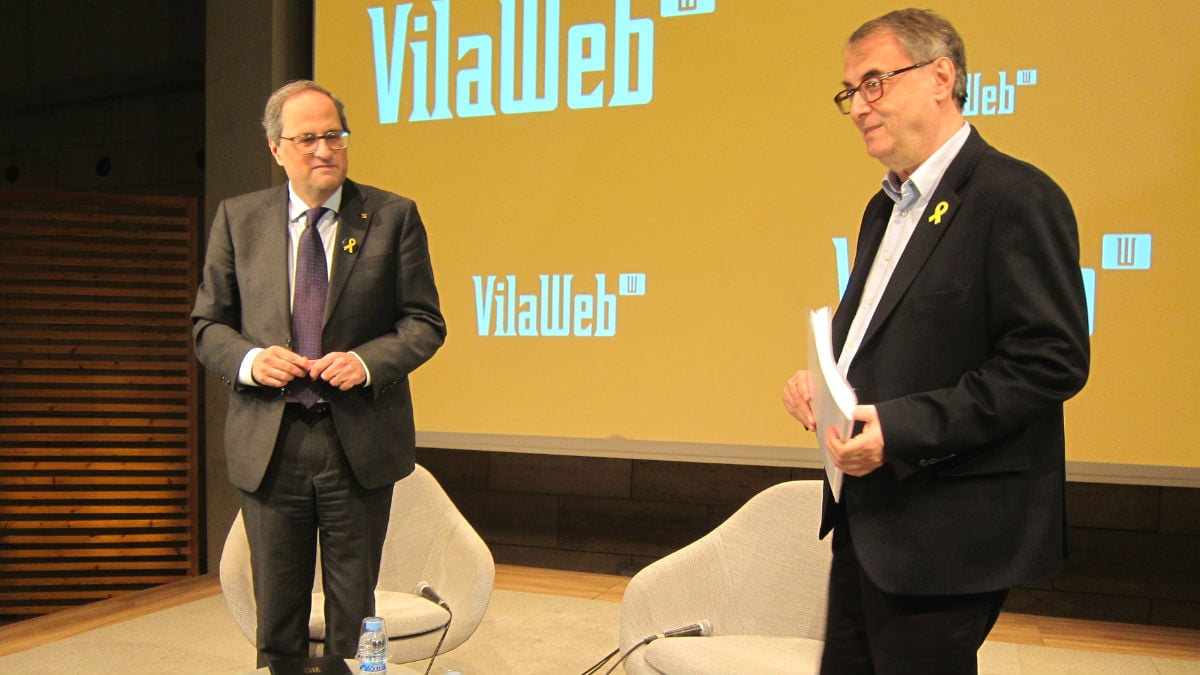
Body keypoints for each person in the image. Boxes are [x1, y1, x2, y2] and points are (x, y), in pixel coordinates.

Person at [782, 9, 1089, 675]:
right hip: (870, 514)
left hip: (949, 528)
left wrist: (897, 427)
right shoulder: (882, 208)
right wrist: (824, 380)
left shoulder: (1016, 197)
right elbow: (881, 339)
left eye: (875, 82)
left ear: (941, 77)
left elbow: (1050, 359)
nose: (859, 106)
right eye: (850, 92)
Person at [192, 80, 446, 666]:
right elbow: (209, 327)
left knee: (352, 615)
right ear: (276, 149)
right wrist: (253, 362)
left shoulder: (390, 216)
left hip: (354, 440)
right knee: (277, 612)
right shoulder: (238, 219)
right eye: (307, 138)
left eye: (334, 134)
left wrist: (364, 362)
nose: (324, 149)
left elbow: (424, 322)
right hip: (270, 442)